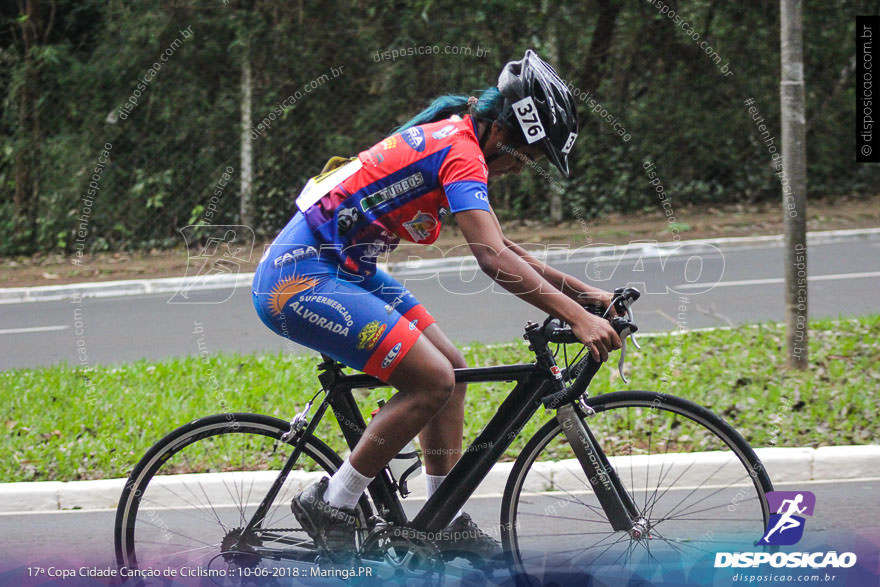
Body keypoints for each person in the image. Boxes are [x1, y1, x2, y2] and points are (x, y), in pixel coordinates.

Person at [251, 49, 621, 561]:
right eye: (526, 157)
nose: (520, 170)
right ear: (503, 134)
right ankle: (332, 503)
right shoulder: (462, 152)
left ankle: (439, 518)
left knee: (454, 371)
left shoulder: (460, 140)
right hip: (297, 279)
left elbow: (503, 247)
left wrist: (584, 295)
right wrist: (576, 317)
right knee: (432, 381)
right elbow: (493, 260)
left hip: (343, 268)